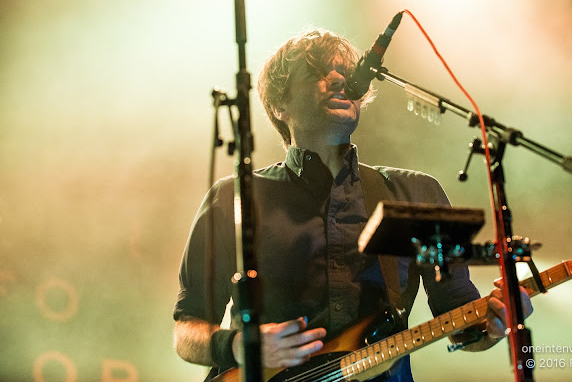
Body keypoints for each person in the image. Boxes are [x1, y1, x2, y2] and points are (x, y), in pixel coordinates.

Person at [173, 28, 533, 381]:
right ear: (279, 105)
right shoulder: (232, 199)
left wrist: (494, 323)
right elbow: (187, 330)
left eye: (347, 72)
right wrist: (238, 346)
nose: (337, 80)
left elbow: (461, 323)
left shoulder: (415, 193)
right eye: (317, 72)